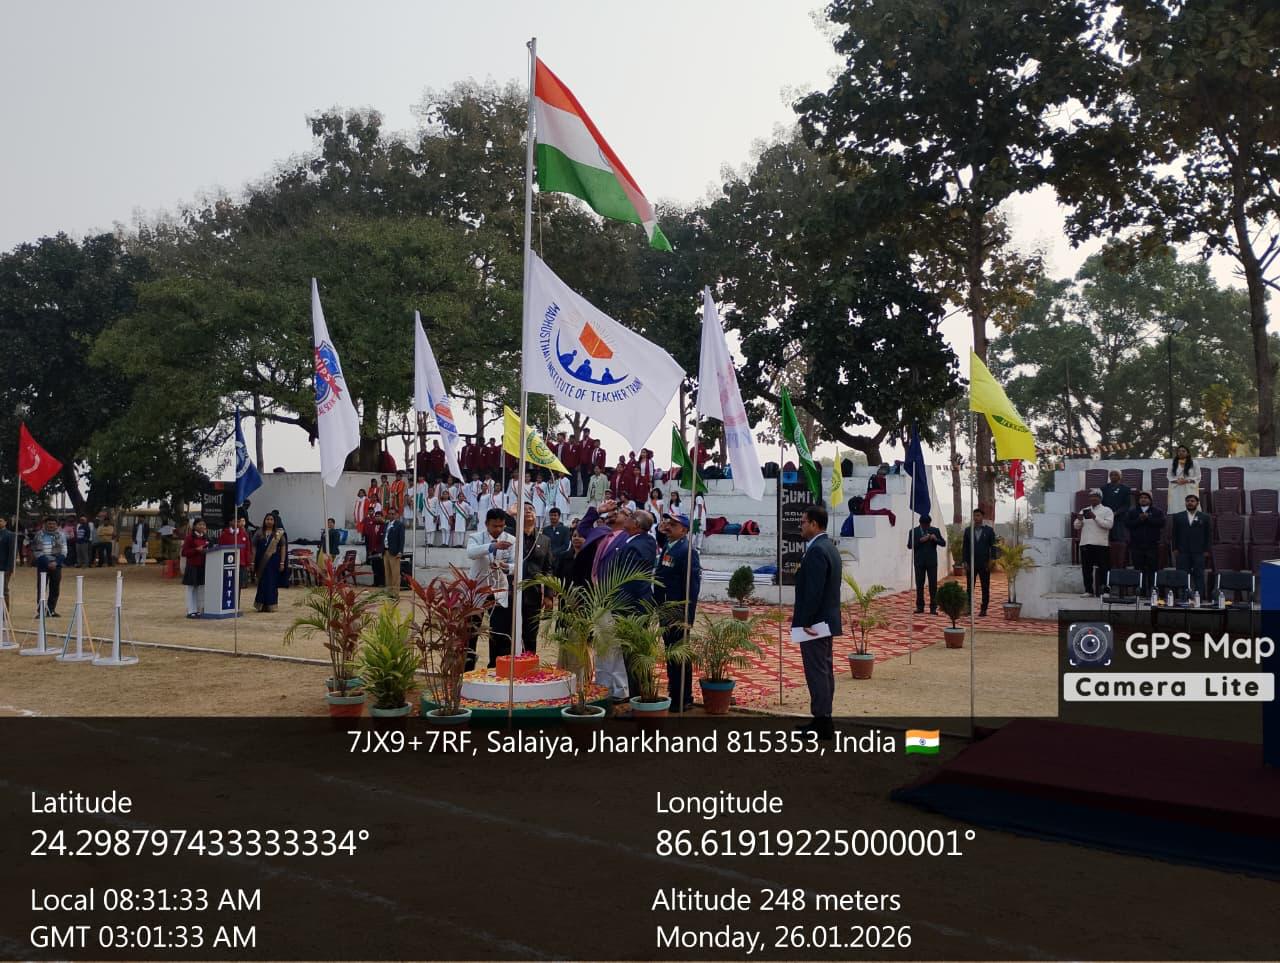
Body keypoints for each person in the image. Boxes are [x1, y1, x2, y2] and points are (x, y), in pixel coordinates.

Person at [791, 506, 842, 740]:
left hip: (815, 623)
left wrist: (806, 622)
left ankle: (822, 722)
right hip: (824, 620)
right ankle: (823, 718)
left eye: (803, 522)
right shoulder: (828, 547)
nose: (800, 526)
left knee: (817, 672)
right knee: (824, 670)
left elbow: (814, 591)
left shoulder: (818, 550)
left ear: (814, 524)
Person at [488, 505, 551, 665]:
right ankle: (498, 666)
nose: (528, 511)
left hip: (532, 594)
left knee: (530, 634)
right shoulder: (509, 536)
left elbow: (548, 569)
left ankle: (528, 667)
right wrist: (509, 513)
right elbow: (497, 526)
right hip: (509, 592)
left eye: (531, 509)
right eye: (524, 508)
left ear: (536, 515)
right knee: (504, 632)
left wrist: (549, 595)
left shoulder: (544, 540)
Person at [655, 511, 701, 711]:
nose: (668, 526)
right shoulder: (669, 545)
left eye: (673, 525)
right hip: (666, 610)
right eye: (668, 523)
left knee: (679, 656)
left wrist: (687, 616)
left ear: (684, 530)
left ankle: (683, 697)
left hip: (678, 613)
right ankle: (674, 692)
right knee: (671, 653)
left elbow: (692, 587)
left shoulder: (687, 552)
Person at [466, 508, 516, 671]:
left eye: (501, 526)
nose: (498, 529)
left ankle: (496, 668)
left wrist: (506, 566)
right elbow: (471, 553)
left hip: (499, 589)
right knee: (471, 631)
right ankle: (467, 668)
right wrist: (492, 546)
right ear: (486, 524)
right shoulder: (476, 537)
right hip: (478, 590)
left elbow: (516, 565)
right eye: (495, 526)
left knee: (499, 632)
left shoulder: (511, 540)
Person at [1073, 489, 1114, 598]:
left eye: (1095, 496)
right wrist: (1079, 519)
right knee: (1086, 569)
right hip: (1085, 543)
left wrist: (1095, 517)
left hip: (1101, 544)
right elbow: (1076, 526)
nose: (1093, 498)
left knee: (1104, 568)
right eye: (1091, 497)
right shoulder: (1084, 510)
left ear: (1100, 498)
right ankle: (1088, 591)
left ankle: (1105, 591)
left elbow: (1109, 525)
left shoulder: (1107, 510)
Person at [1172, 493, 1211, 599]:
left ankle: (1200, 597)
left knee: (1199, 574)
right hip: (1182, 551)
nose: (1190, 503)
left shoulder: (1205, 517)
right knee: (1183, 574)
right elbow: (1174, 534)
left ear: (1197, 503)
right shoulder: (1178, 516)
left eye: (1192, 501)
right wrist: (1174, 548)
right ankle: (1184, 597)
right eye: (1188, 501)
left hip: (1199, 551)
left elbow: (1208, 535)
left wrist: (1207, 550)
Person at [962, 508, 999, 616]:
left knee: (985, 587)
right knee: (970, 587)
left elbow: (993, 546)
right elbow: (965, 547)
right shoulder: (968, 530)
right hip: (971, 563)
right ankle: (968, 608)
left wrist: (992, 560)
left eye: (978, 515)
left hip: (984, 563)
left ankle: (984, 609)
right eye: (974, 516)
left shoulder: (989, 531)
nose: (976, 518)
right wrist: (965, 561)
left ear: (982, 517)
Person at [1125, 491, 1164, 592]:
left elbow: (1161, 523)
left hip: (1152, 545)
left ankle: (1152, 591)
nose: (1143, 499)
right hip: (1136, 545)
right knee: (1138, 569)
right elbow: (1128, 524)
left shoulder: (1157, 511)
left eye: (1146, 498)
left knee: (1152, 569)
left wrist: (1148, 518)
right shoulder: (1132, 511)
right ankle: (1140, 591)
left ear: (1150, 500)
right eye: (1141, 498)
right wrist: (1139, 519)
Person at [30, 516, 67, 617]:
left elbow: (64, 551)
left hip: (56, 565)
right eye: (49, 523)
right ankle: (41, 611)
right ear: (45, 524)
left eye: (53, 524)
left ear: (57, 525)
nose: (51, 525)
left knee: (55, 588)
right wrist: (47, 563)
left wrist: (56, 562)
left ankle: (51, 610)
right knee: (42, 588)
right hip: (43, 564)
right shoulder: (39, 535)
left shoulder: (61, 535)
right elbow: (37, 551)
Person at [908, 513, 943, 614]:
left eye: (928, 525)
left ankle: (933, 607)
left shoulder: (935, 530)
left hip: (932, 562)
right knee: (919, 584)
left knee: (933, 585)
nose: (926, 527)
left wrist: (935, 539)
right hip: (919, 562)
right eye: (924, 525)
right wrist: (920, 541)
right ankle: (920, 606)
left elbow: (943, 543)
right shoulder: (913, 531)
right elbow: (910, 545)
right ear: (920, 523)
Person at [252, 513, 288, 612]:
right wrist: (252, 562)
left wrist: (282, 562)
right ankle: (260, 605)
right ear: (264, 520)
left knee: (272, 583)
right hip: (261, 562)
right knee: (262, 583)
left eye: (271, 519)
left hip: (273, 562)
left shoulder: (278, 533)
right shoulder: (259, 532)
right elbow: (253, 547)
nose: (269, 521)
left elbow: (283, 547)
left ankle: (271, 605)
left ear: (274, 521)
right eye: (267, 519)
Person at [180, 518, 209, 618]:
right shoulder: (189, 538)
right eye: (200, 524)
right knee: (191, 588)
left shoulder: (205, 537)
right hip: (192, 565)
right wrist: (196, 550)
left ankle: (197, 609)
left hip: (202, 565)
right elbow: (184, 552)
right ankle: (190, 610)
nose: (202, 527)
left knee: (200, 588)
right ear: (194, 526)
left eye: (203, 525)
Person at [218, 516, 252, 588]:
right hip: (227, 564)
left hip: (241, 563)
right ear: (230, 522)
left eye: (238, 521)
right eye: (235, 521)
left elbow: (247, 549)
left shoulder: (244, 534)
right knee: (228, 584)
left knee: (238, 585)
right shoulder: (224, 534)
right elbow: (220, 547)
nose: (237, 523)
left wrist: (248, 563)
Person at [1100, 470, 1132, 545]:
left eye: (1116, 475)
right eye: (1111, 475)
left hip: (1119, 518)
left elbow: (1127, 505)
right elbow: (1101, 503)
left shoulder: (1126, 489)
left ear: (1120, 477)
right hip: (1106, 518)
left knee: (1119, 541)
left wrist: (1116, 513)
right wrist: (1107, 513)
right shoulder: (1103, 488)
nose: (1113, 476)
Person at [384, 508, 405, 597]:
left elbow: (402, 539)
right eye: (389, 514)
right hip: (386, 551)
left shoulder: (399, 525)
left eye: (393, 514)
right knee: (387, 573)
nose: (391, 515)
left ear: (396, 515)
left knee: (395, 574)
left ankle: (395, 593)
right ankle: (389, 592)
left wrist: (400, 551)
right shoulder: (386, 524)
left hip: (394, 552)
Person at [365, 509, 386, 587]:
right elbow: (369, 539)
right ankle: (375, 582)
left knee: (381, 567)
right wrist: (369, 550)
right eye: (376, 516)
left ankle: (382, 582)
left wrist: (381, 550)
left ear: (382, 517)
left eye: (379, 516)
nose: (377, 518)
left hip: (380, 550)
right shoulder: (372, 526)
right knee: (374, 567)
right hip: (373, 550)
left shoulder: (384, 526)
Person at [0, 515, 13, 612]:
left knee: (4, 590)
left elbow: (12, 552)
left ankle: (5, 612)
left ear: (5, 522)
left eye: (0, 521)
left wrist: (9, 568)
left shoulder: (9, 535)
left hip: (4, 567)